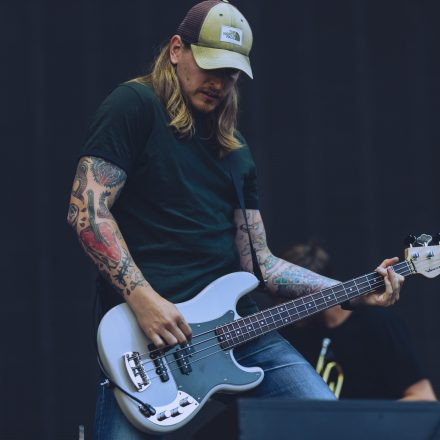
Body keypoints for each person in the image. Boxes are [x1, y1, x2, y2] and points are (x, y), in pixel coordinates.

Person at [67, 1, 404, 438]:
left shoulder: (235, 150)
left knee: (326, 422)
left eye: (231, 73)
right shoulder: (134, 105)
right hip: (149, 338)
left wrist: (351, 292)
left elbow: (260, 264)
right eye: (211, 66)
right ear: (176, 50)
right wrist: (143, 298)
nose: (220, 82)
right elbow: (87, 211)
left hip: (239, 326)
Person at [279, 243, 436, 401]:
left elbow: (423, 397)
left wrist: (365, 421)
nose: (283, 306)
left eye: (290, 299)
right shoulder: (292, 332)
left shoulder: (377, 324)